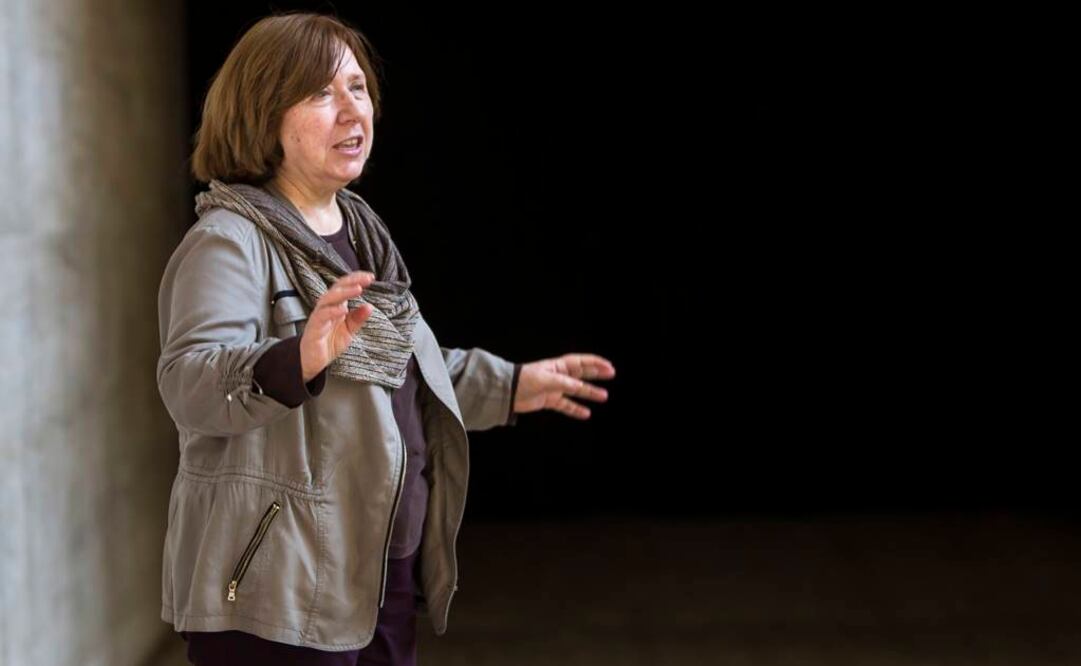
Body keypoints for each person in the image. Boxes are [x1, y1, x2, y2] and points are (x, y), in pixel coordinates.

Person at [156, 12, 615, 666]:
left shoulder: (363, 235)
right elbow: (190, 385)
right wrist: (299, 357)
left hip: (374, 573)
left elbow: (394, 367)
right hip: (274, 590)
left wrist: (511, 386)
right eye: (318, 94)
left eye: (357, 88)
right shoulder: (229, 243)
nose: (351, 110)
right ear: (261, 115)